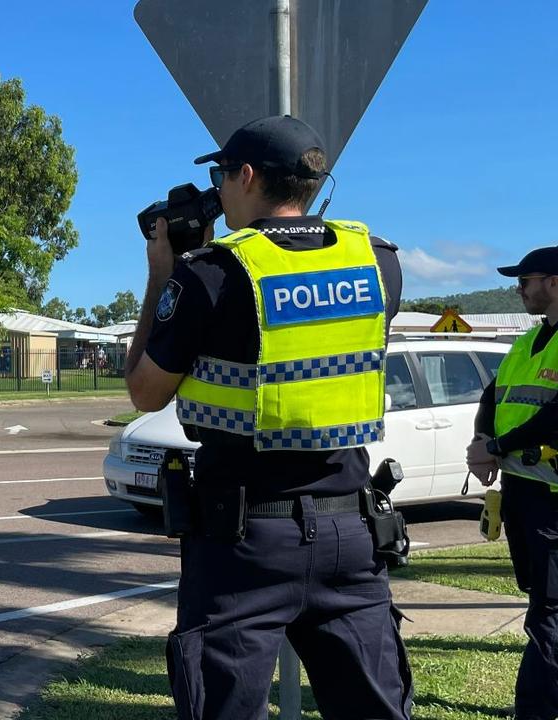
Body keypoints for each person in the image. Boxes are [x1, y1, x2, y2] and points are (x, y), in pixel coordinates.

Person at [123, 115, 412, 720]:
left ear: (248, 175)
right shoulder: (377, 263)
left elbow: (145, 392)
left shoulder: (211, 272)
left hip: (244, 540)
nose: (220, 189)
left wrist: (163, 273)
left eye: (223, 174)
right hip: (350, 533)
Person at [465, 247, 558, 720]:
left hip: (554, 502)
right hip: (525, 496)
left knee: (550, 612)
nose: (519, 289)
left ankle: (535, 710)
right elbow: (492, 392)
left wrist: (497, 446)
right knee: (542, 601)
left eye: (526, 281)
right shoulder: (528, 341)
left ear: (555, 283)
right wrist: (483, 439)